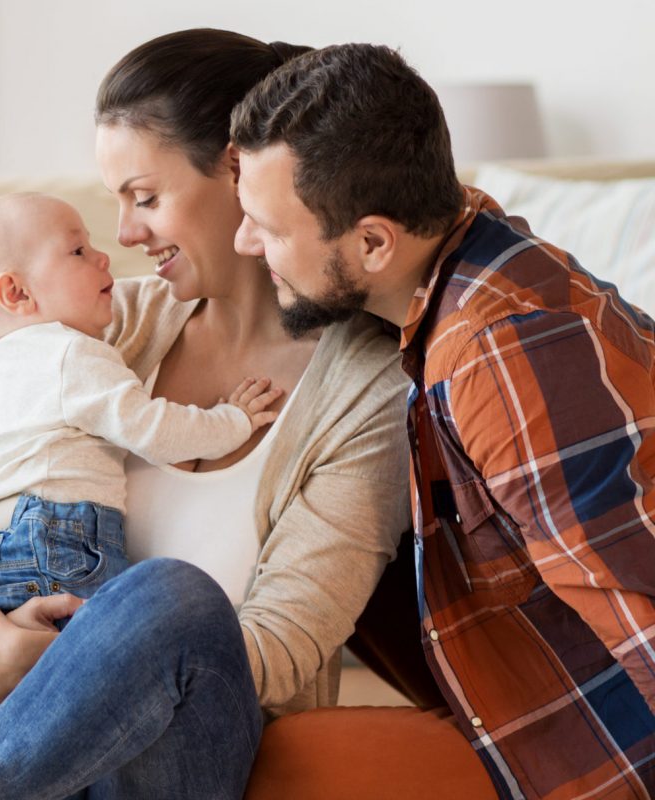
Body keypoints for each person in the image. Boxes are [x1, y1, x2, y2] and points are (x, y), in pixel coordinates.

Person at [0, 30, 411, 800]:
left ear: (240, 171)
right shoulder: (111, 320)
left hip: (168, 766)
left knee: (171, 595)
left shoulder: (367, 392)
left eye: (145, 198)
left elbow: (281, 647)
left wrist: (52, 666)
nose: (123, 236)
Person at [230, 42, 655, 798]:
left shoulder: (498, 357)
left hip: (595, 753)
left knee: (287, 769)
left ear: (372, 242)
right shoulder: (477, 247)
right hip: (521, 697)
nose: (245, 243)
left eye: (266, 225)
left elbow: (639, 611)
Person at [0, 191, 281, 616]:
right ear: (17, 292)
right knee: (112, 652)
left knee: (28, 676)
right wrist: (233, 421)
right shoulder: (72, 354)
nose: (103, 257)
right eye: (78, 251)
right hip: (57, 544)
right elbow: (154, 431)